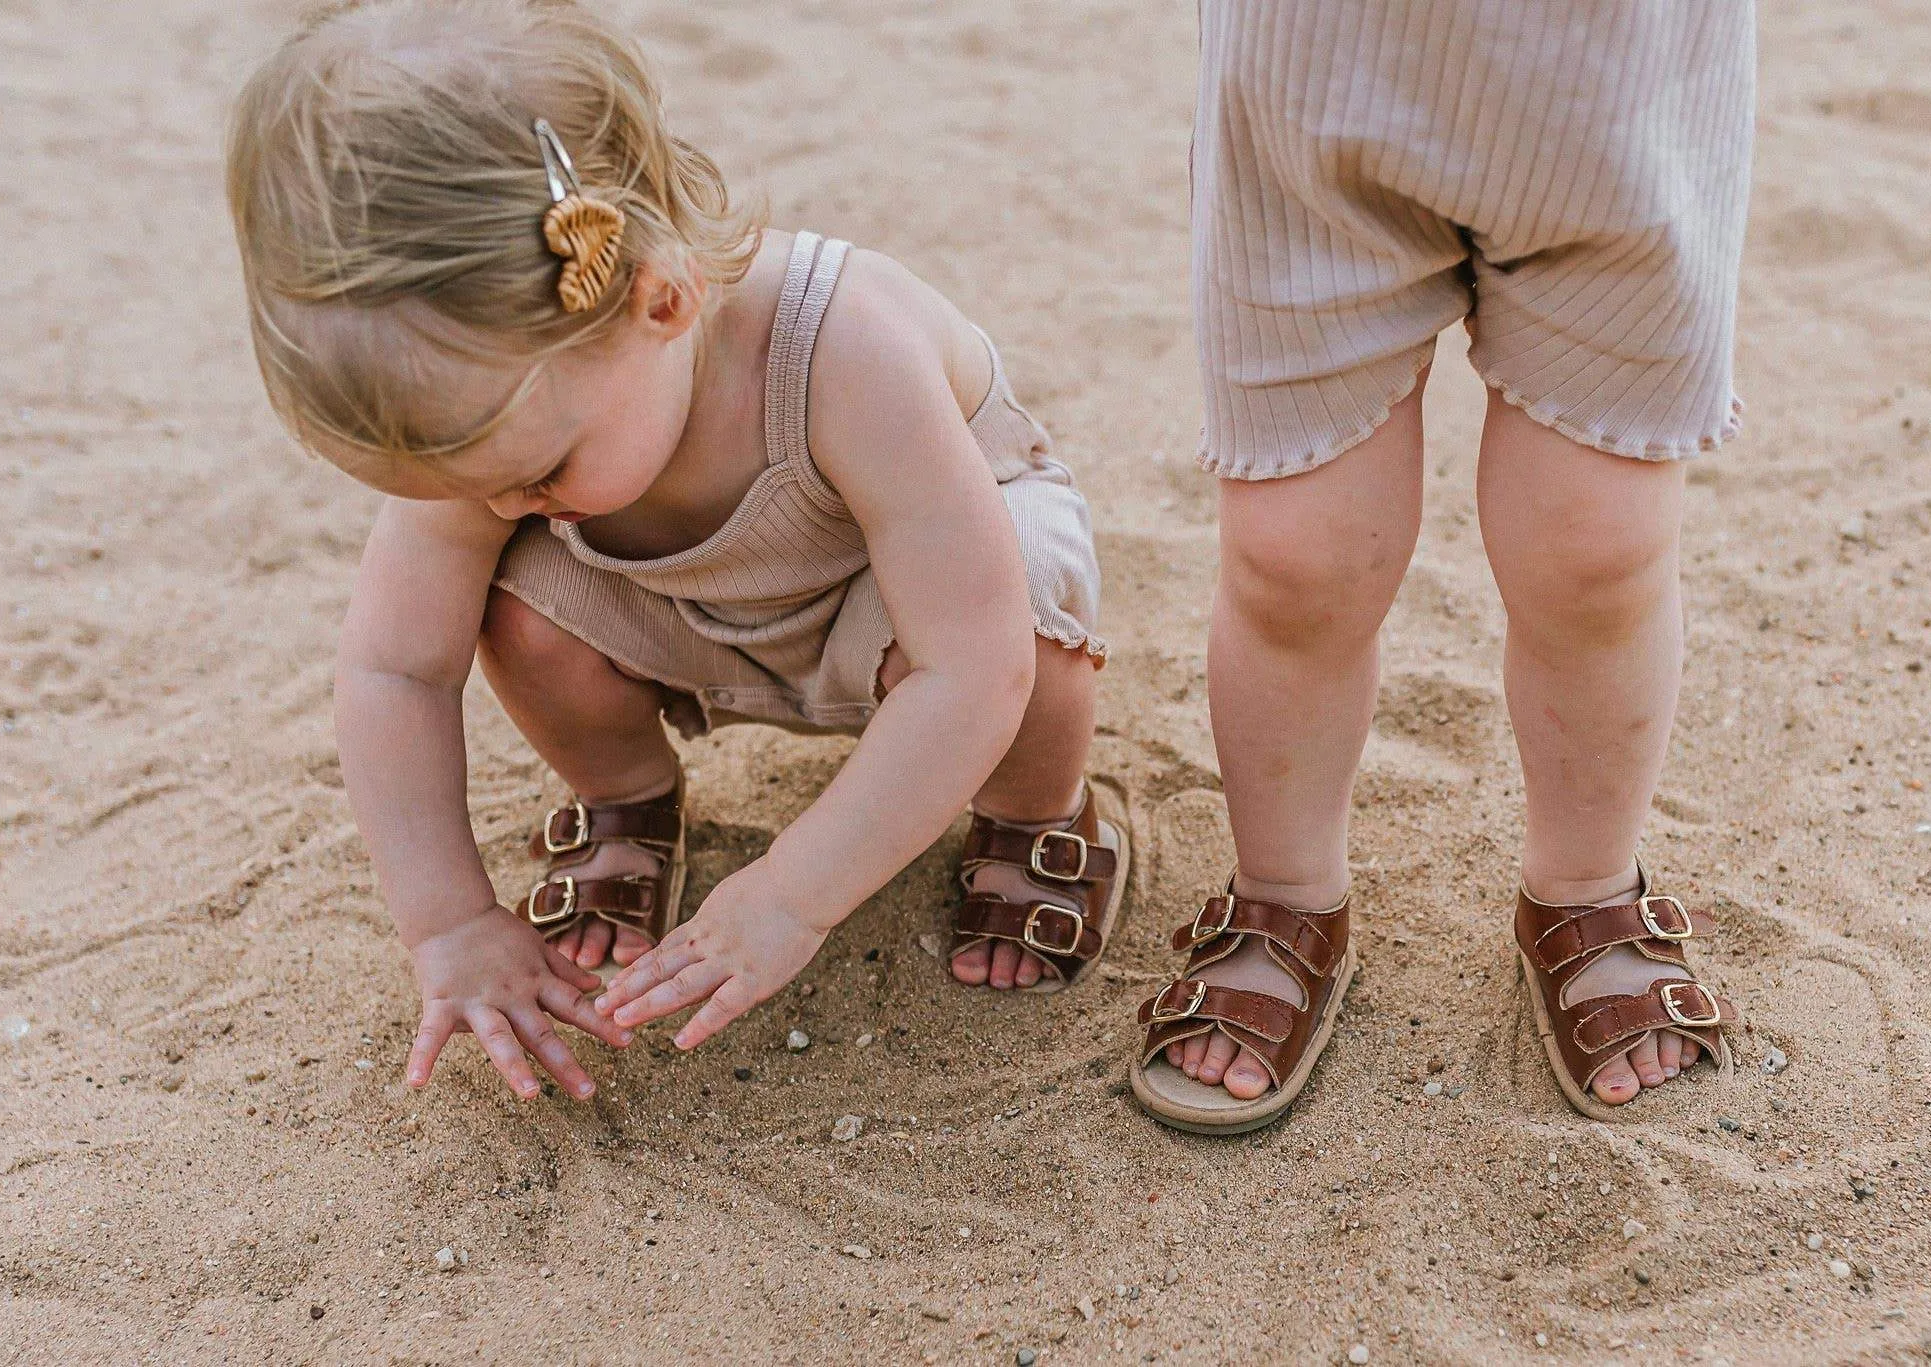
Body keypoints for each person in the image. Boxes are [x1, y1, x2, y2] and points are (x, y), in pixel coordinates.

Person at [225, 0, 1127, 1102]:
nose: (502, 501)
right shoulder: (503, 408)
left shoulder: (842, 348)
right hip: (684, 619)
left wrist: (792, 891)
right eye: (464, 487)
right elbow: (394, 666)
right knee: (512, 606)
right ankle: (628, 798)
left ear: (661, 300)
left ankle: (1036, 815)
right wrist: (449, 920)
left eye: (537, 473)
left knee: (1027, 610)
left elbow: (971, 663)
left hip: (911, 610)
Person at [1130, 0, 1751, 1133]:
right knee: (1292, 557)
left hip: (1620, 90)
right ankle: (1283, 888)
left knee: (1596, 549)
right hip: (1312, 86)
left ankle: (1581, 883)